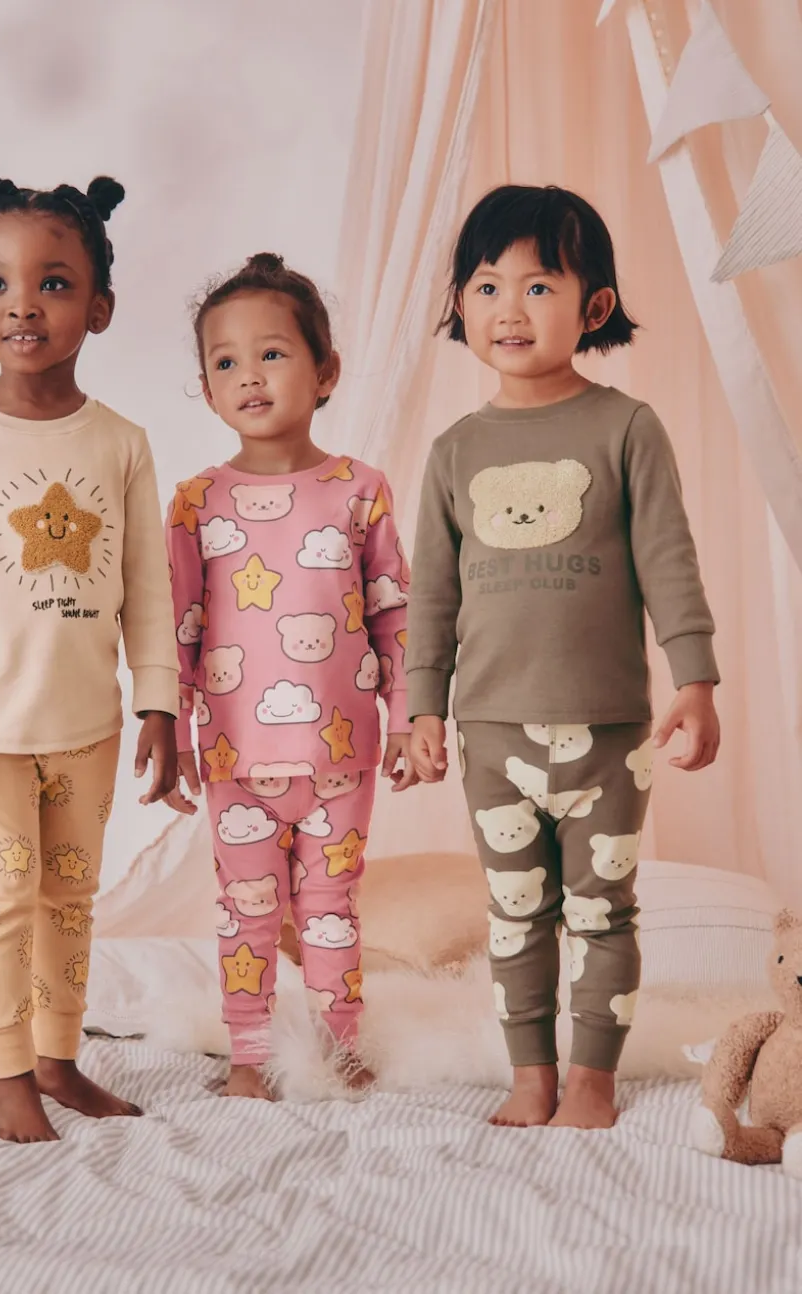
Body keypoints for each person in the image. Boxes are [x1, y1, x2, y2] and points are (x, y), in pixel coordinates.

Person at [407, 185, 721, 1130]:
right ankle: (530, 1073)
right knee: (515, 912)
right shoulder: (455, 451)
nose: (510, 308)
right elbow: (433, 596)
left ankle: (593, 1077)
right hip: (492, 731)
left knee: (602, 910)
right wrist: (424, 709)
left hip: (610, 732)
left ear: (593, 307)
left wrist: (696, 680)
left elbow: (669, 561)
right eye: (488, 285)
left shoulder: (627, 428)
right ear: (460, 304)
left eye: (539, 285)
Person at [0, 167, 179, 1142]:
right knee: (0, 905)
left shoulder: (122, 443)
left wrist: (158, 703)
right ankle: (6, 1075)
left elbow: (148, 587)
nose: (23, 304)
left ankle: (59, 1061)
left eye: (53, 283)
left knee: (70, 899)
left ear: (99, 307)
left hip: (88, 727)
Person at [165, 253, 417, 1099]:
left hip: (342, 756)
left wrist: (409, 717)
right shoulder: (195, 502)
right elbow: (179, 628)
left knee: (332, 908)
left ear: (325, 371)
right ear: (207, 389)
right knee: (246, 911)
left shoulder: (360, 489)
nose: (249, 376)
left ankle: (339, 1046)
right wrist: (171, 729)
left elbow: (393, 615)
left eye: (271, 353)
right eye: (225, 362)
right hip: (234, 758)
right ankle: (249, 1055)